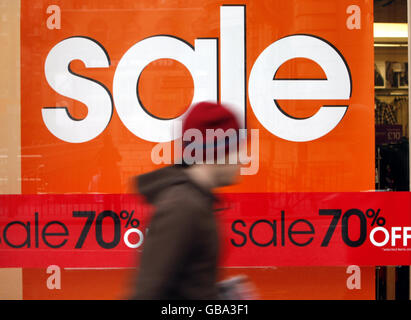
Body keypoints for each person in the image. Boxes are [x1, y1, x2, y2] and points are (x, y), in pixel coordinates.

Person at [131, 101, 242, 300]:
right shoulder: (182, 207)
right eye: (237, 148)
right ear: (217, 152)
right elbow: (146, 293)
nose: (243, 158)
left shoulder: (197, 201)